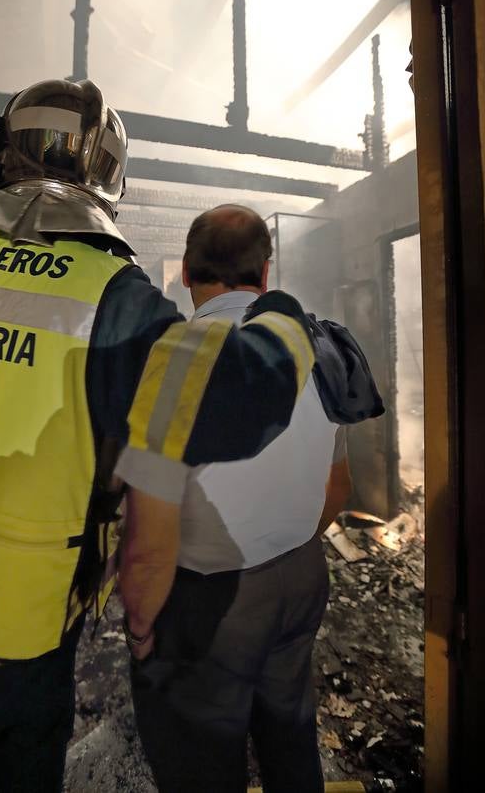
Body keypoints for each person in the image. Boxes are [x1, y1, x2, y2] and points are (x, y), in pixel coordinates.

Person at [0, 82, 319, 792]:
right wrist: (284, 315)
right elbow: (241, 398)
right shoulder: (118, 301)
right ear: (111, 181)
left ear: (2, 154)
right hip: (7, 640)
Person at [122, 205, 383, 793]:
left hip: (209, 603)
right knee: (289, 735)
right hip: (300, 579)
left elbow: (149, 540)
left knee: (203, 762)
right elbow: (338, 487)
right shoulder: (311, 344)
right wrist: (284, 546)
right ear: (265, 272)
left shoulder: (174, 356)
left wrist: (139, 629)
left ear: (186, 271)